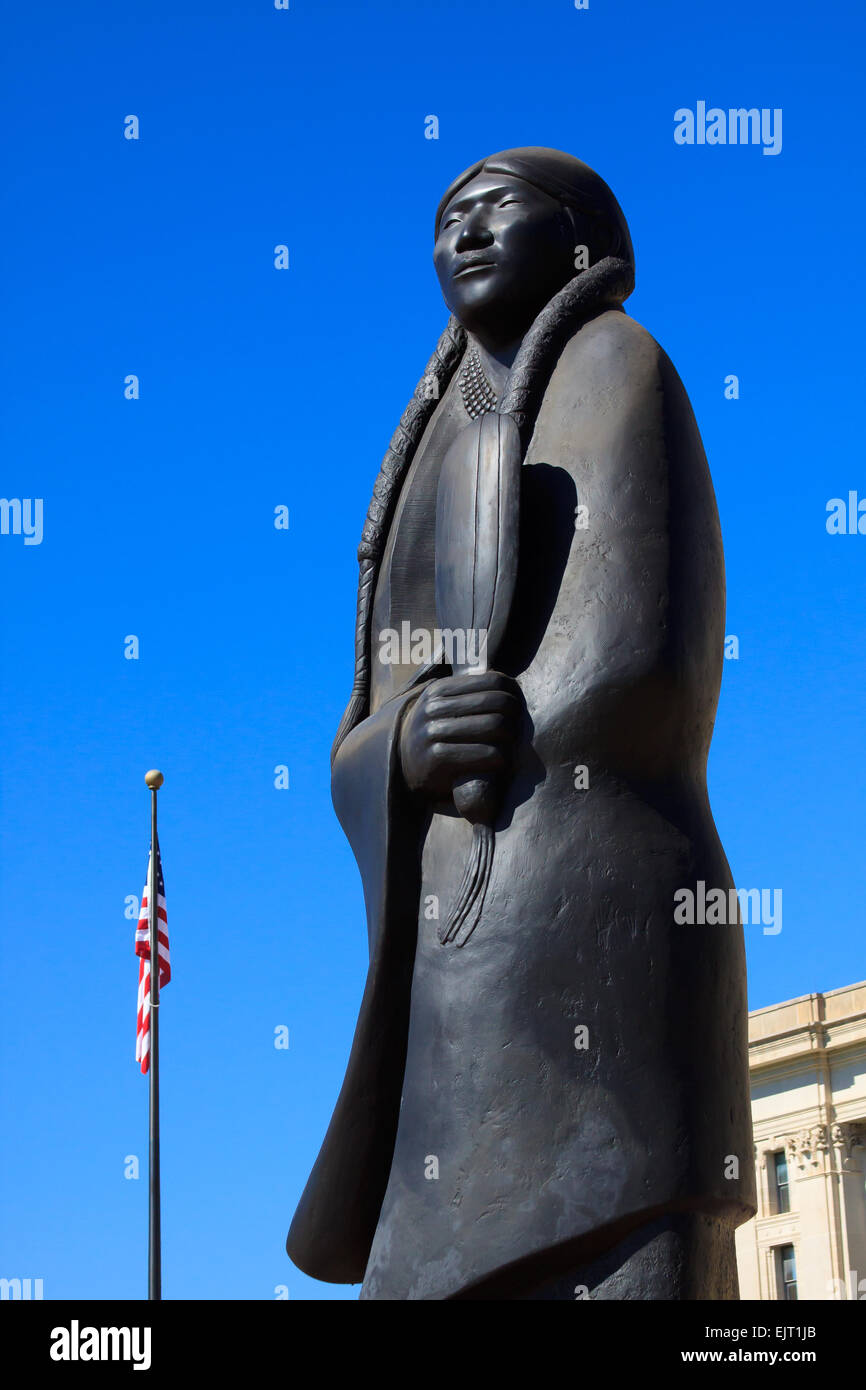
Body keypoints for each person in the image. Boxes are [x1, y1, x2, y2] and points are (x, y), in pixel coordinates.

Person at [287, 147, 756, 1299]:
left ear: (580, 234)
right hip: (448, 983)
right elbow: (362, 725)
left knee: (622, 1242)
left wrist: (505, 724)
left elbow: (641, 653)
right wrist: (402, 747)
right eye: (447, 218)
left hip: (599, 919)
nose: (464, 231)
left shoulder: (619, 369)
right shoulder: (426, 445)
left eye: (498, 208)